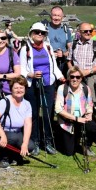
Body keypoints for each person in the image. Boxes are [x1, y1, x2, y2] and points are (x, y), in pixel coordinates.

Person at [20, 22, 64, 156]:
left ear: (45, 35)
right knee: (33, 114)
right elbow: (22, 68)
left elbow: (54, 66)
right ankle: (35, 142)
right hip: (32, 85)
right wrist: (30, 74)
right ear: (31, 34)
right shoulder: (25, 49)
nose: (39, 34)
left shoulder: (49, 48)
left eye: (42, 33)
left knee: (47, 113)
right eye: (37, 32)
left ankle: (48, 142)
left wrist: (61, 77)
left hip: (48, 84)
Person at [0, 77, 34, 169]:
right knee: (12, 138)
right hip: (3, 132)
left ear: (25, 89)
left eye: (21, 88)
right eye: (16, 88)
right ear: (11, 90)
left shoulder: (27, 104)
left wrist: (25, 144)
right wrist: (2, 135)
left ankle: (13, 156)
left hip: (17, 132)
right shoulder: (4, 101)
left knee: (30, 145)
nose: (19, 90)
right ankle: (3, 158)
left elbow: (28, 124)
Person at [55, 67, 96, 156]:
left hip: (82, 119)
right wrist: (76, 118)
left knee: (93, 127)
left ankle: (87, 145)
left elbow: (89, 104)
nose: (75, 79)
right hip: (67, 122)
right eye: (72, 77)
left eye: (78, 77)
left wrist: (89, 114)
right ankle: (68, 138)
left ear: (81, 78)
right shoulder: (62, 88)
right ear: (68, 78)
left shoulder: (86, 88)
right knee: (69, 153)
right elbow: (58, 109)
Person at [67, 22, 96, 107]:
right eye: (85, 31)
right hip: (76, 77)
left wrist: (88, 71)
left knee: (91, 101)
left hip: (91, 77)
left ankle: (93, 118)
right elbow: (69, 61)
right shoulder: (73, 45)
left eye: (90, 31)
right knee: (76, 99)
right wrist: (73, 72)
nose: (88, 33)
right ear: (79, 32)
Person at [46, 6, 72, 75]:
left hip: (62, 64)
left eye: (59, 16)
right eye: (54, 15)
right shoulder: (44, 29)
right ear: (50, 16)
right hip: (47, 64)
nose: (56, 18)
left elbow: (70, 48)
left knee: (62, 84)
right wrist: (49, 54)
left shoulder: (66, 30)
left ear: (62, 17)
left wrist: (63, 54)